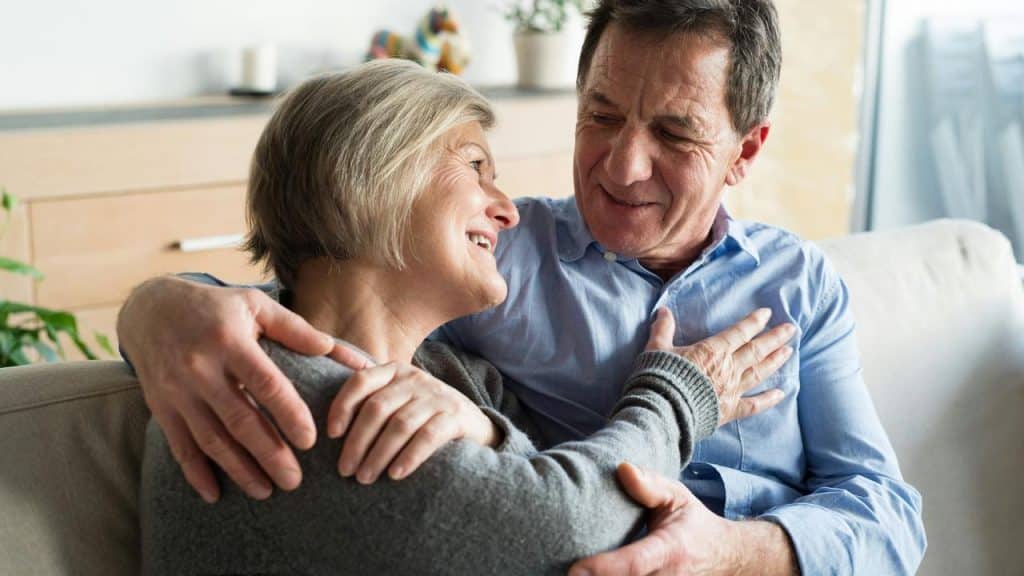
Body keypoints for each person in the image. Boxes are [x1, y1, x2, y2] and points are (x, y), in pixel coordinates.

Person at [119, 1, 927, 574]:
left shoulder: (801, 284)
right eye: (601, 115)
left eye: (675, 134)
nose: (620, 166)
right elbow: (315, 275)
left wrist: (735, 555)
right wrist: (156, 305)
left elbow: (889, 518)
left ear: (746, 152)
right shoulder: (493, 263)